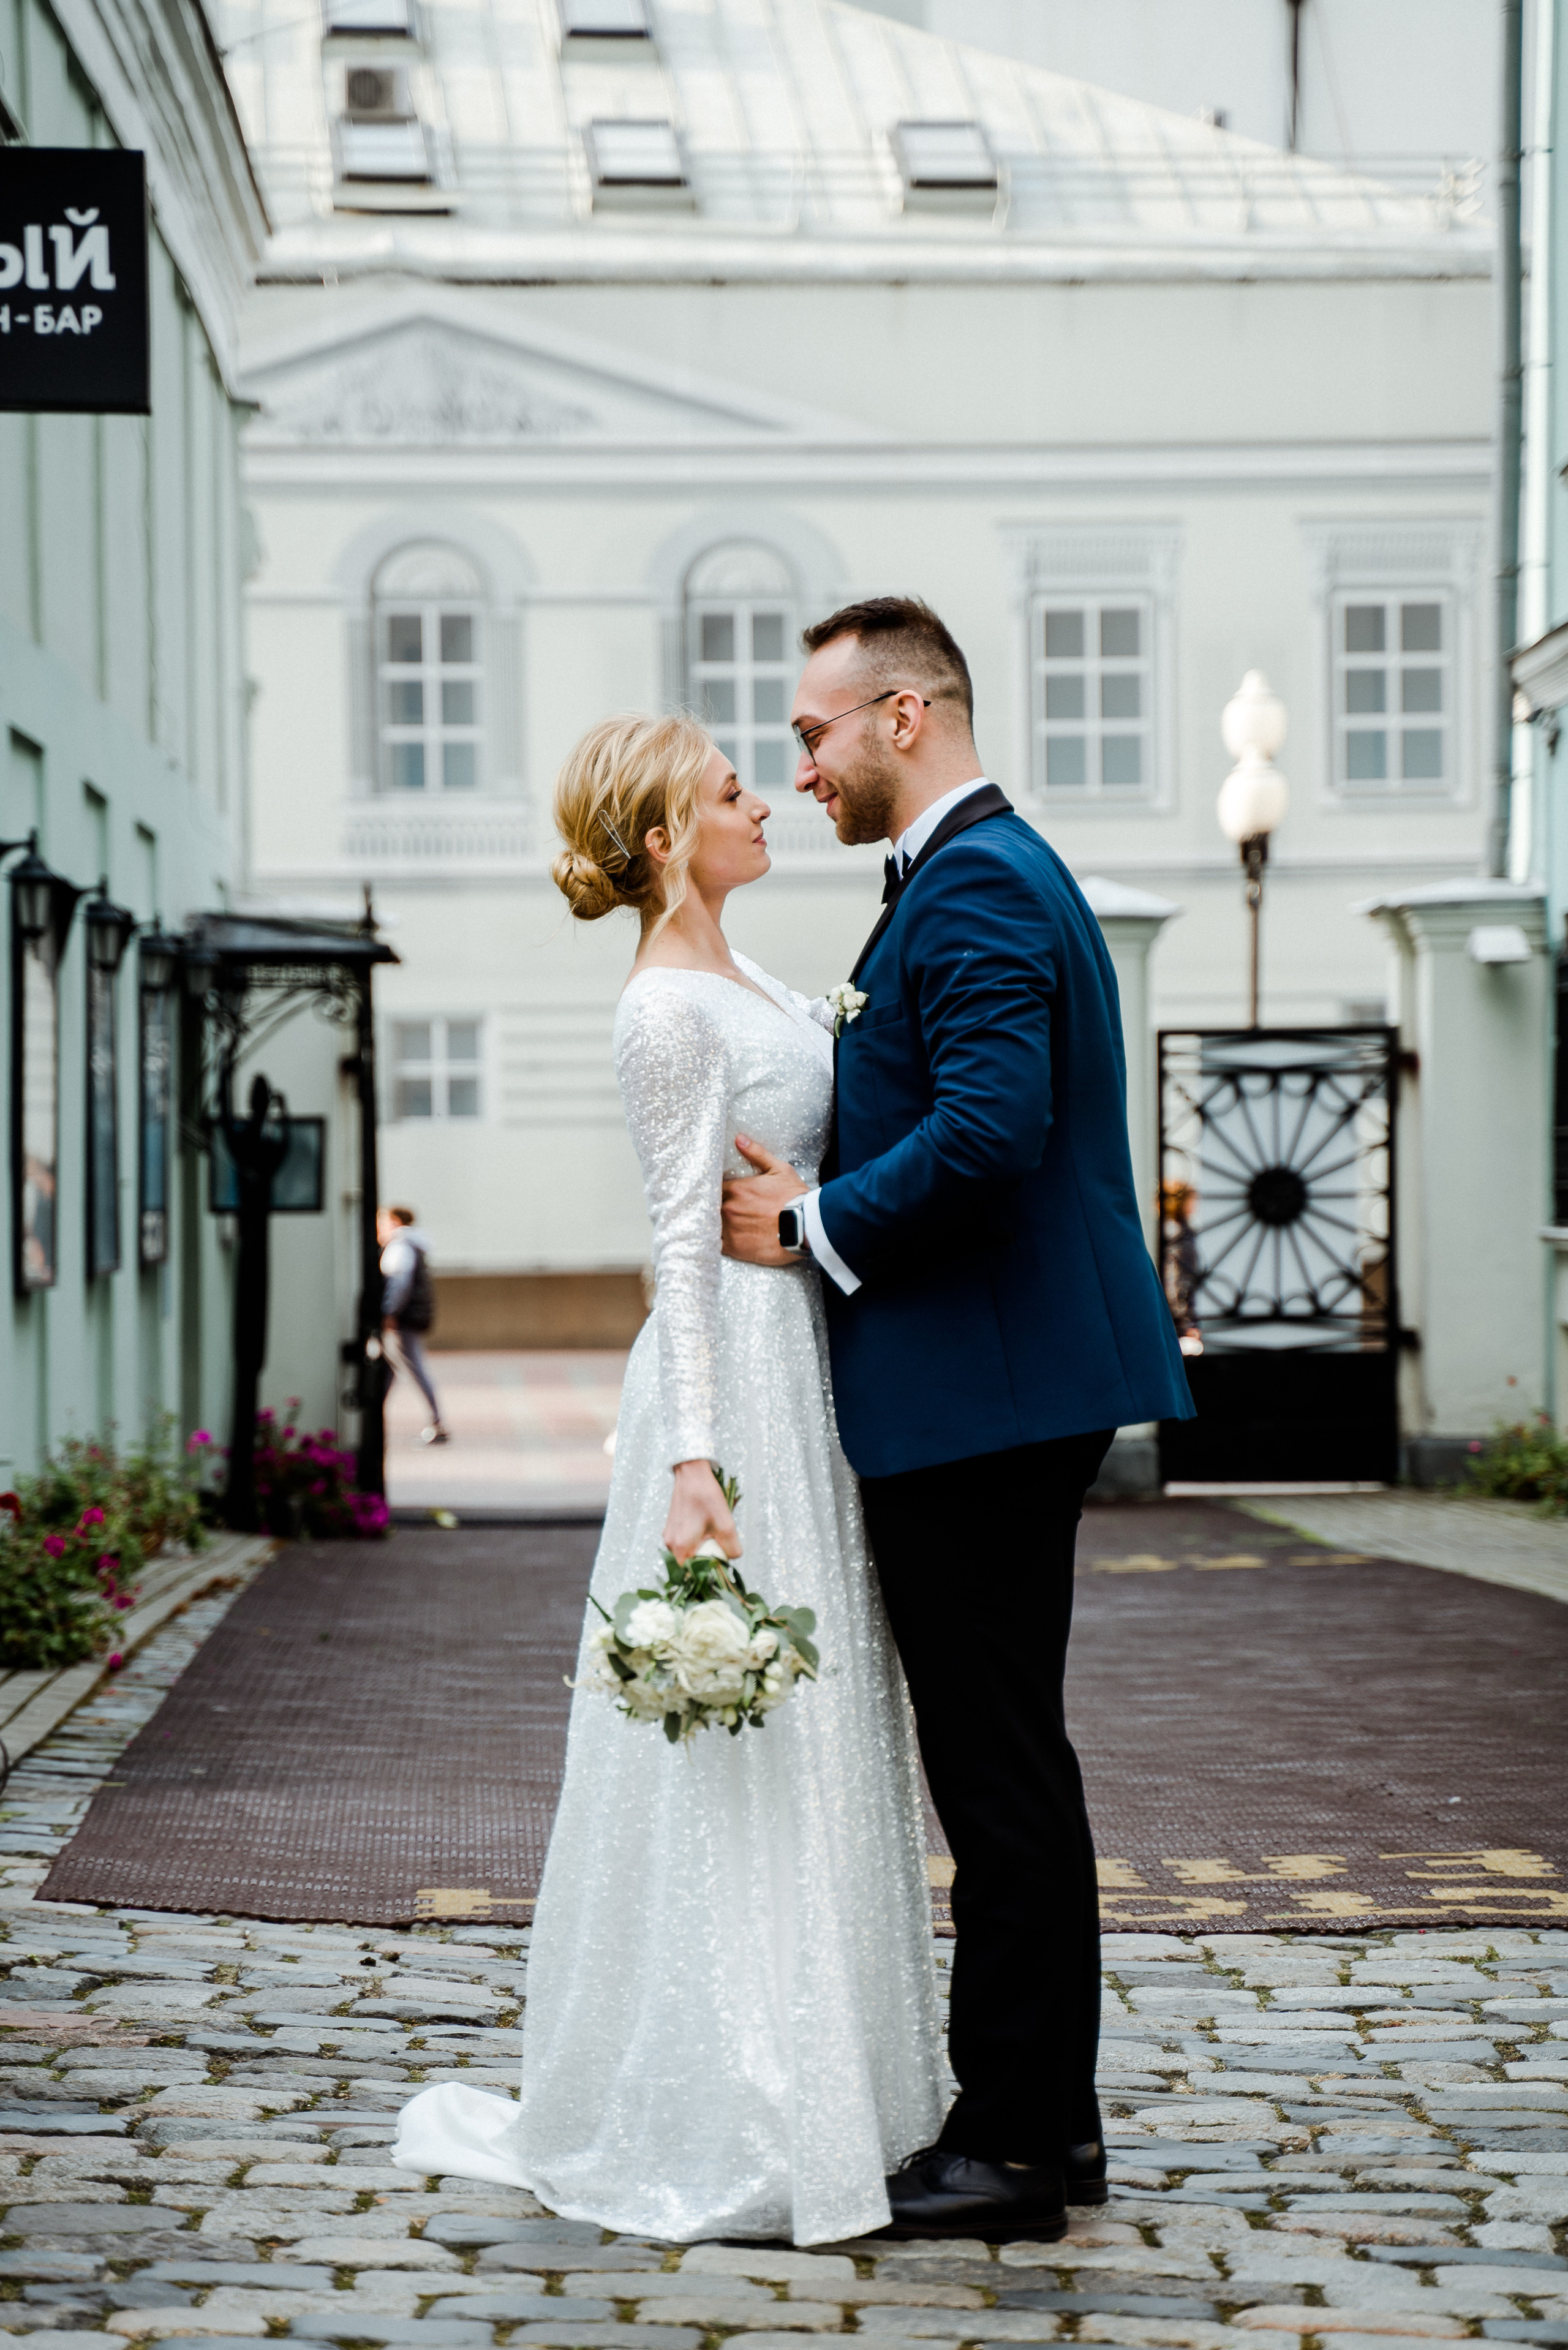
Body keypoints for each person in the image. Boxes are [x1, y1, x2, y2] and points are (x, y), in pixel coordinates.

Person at [391, 713, 944, 2245]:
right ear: (658, 838)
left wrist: (826, 1200)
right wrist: (697, 1459)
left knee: (820, 1721)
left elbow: (783, 1174)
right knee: (739, 1735)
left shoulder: (752, 974)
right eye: (727, 791)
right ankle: (735, 2100)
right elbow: (679, 1249)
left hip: (805, 1360)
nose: (760, 800)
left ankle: (850, 2081)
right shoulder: (659, 1013)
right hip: (737, 1383)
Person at [720, 597, 1195, 2242]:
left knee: (994, 1776)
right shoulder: (971, 870)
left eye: (813, 728)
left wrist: (807, 1224)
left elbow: (993, 1129)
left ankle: (1010, 2144)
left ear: (904, 716)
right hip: (994, 1385)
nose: (802, 760)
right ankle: (1044, 2126)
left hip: (983, 1394)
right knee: (1007, 1765)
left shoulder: (982, 875)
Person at [378, 1205, 447, 1445]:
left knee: (413, 1367)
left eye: (383, 1221)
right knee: (389, 1369)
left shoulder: (400, 1246)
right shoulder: (412, 1245)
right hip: (410, 1316)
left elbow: (400, 1283)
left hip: (403, 1319)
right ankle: (373, 1420)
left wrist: (389, 1312)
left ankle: (438, 1423)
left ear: (395, 1221)